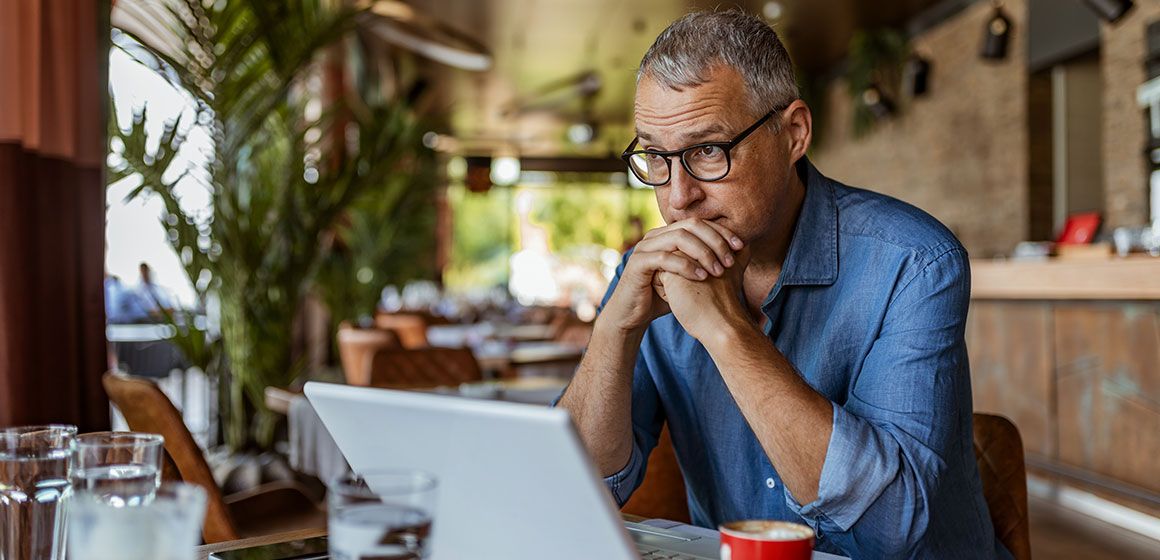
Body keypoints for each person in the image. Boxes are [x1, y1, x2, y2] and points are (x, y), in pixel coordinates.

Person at [556, 10, 1009, 559]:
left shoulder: (913, 262)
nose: (678, 198)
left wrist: (725, 332)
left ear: (793, 133)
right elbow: (576, 491)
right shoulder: (647, 275)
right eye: (656, 155)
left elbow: (893, 528)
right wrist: (614, 329)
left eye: (706, 151)